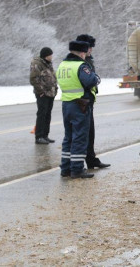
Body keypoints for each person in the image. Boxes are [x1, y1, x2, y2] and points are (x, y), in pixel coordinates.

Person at [56, 40, 100, 179]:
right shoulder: (81, 66)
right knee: (80, 137)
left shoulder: (62, 65)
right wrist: (96, 78)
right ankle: (77, 169)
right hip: (80, 104)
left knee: (68, 137)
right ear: (82, 53)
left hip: (66, 104)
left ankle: (65, 168)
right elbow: (90, 81)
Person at [76, 34, 111, 170]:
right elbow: (88, 80)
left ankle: (91, 159)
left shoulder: (88, 60)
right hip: (81, 101)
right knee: (83, 134)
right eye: (89, 47)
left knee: (90, 133)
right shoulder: (81, 62)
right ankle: (80, 164)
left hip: (87, 100)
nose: (90, 50)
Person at [29, 47, 58, 144]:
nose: (51, 56)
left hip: (50, 93)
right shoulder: (37, 64)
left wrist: (55, 89)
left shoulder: (48, 64)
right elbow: (33, 79)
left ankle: (45, 135)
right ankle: (39, 136)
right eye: (50, 55)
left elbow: (52, 77)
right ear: (46, 55)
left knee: (47, 115)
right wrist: (41, 91)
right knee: (42, 114)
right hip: (42, 94)